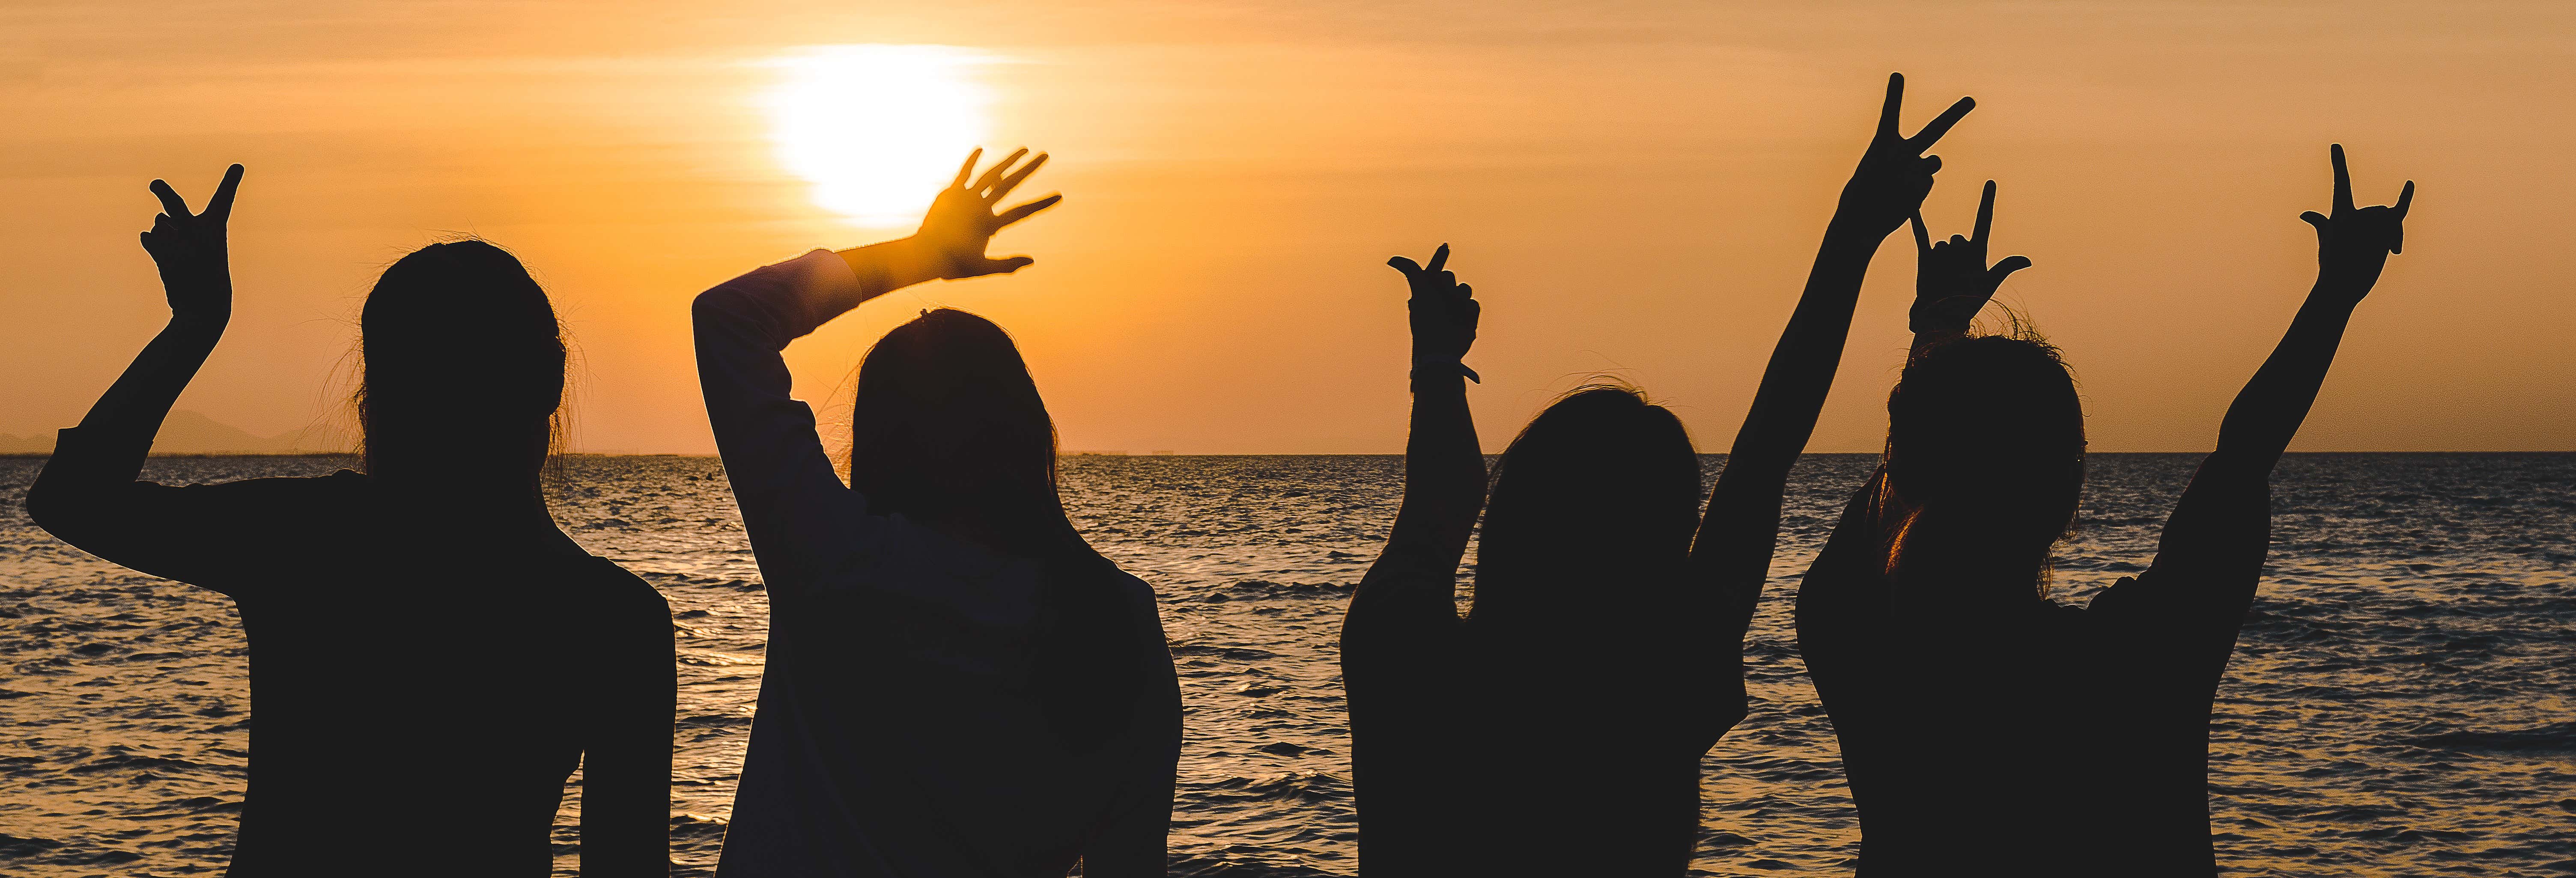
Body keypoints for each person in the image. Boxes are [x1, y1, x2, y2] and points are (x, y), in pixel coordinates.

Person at [1339, 73, 1975, 874]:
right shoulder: (1664, 680)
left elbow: (1438, 499)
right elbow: (1769, 448)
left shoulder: (1402, 652)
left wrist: (1435, 362)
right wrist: (1876, 259)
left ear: (1515, 513)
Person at [24, 165, 677, 876]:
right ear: (548, 381)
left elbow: (71, 499)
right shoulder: (616, 621)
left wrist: (195, 327)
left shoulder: (309, 540)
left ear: (377, 401)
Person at [1795, 146, 2414, 875]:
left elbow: (1909, 468)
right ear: (2068, 490)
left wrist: (1935, 332)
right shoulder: (2137, 664)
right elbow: (2243, 457)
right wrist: (2336, 292)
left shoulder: (1861, 653)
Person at [693, 149, 1181, 877]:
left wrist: (918, 257)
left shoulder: (834, 560)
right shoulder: (1119, 620)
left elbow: (728, 320)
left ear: (879, 439)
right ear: (1026, 434)